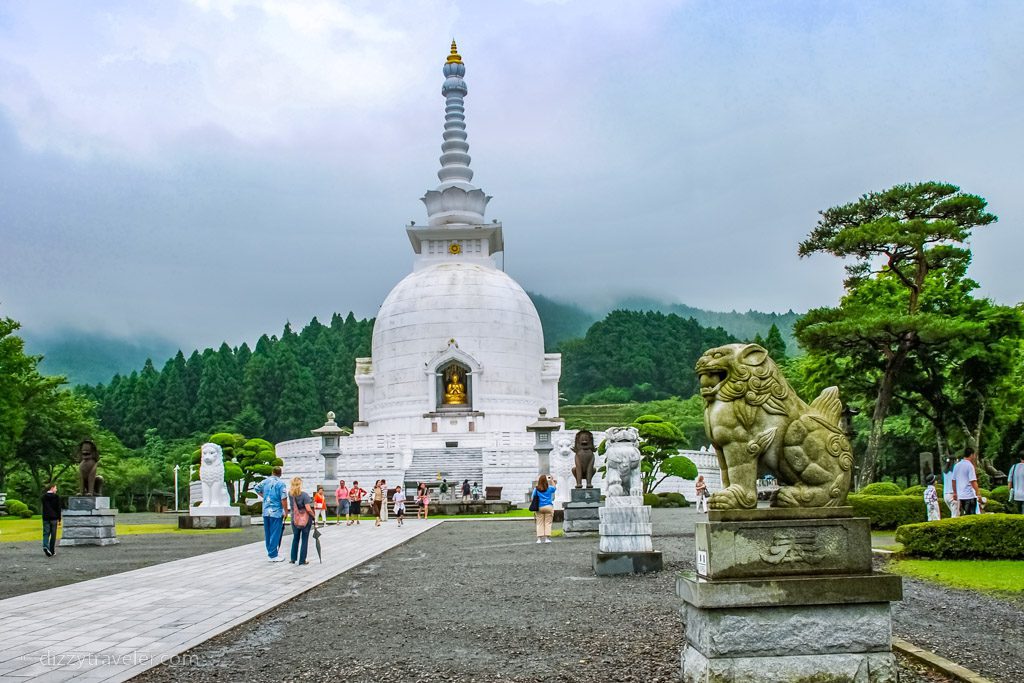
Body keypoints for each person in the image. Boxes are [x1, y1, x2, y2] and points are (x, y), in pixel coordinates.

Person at [254, 466, 288, 562]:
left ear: (272, 472)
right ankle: (273, 554)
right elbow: (284, 498)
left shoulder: (265, 481)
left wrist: (264, 496)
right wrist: (286, 511)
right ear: (280, 473)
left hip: (266, 510)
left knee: (268, 533)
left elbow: (256, 488)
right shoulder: (281, 483)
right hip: (276, 511)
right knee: (275, 533)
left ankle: (270, 552)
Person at [287, 477, 314, 565]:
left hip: (294, 518)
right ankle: (302, 560)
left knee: (295, 538)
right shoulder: (304, 495)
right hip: (305, 519)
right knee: (304, 539)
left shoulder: (290, 494)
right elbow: (308, 509)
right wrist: (314, 516)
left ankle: (293, 558)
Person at [952, 447, 981, 516]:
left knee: (964, 516)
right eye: (974, 455)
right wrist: (978, 493)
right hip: (969, 496)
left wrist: (955, 493)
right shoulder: (969, 466)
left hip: (960, 496)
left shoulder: (956, 466)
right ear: (971, 455)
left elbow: (953, 480)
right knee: (971, 516)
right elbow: (973, 481)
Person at [531, 474, 556, 543]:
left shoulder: (536, 489)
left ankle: (539, 539)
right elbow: (555, 488)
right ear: (546, 481)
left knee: (539, 523)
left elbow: (532, 498)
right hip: (548, 506)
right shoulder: (549, 488)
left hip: (539, 507)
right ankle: (547, 539)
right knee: (548, 523)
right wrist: (552, 480)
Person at [41, 483, 61, 557]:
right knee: (53, 534)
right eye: (55, 488)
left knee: (46, 533)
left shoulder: (43, 497)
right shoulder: (56, 497)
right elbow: (58, 508)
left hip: (46, 517)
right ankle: (52, 551)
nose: (56, 489)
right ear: (52, 488)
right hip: (54, 518)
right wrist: (59, 518)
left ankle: (45, 546)